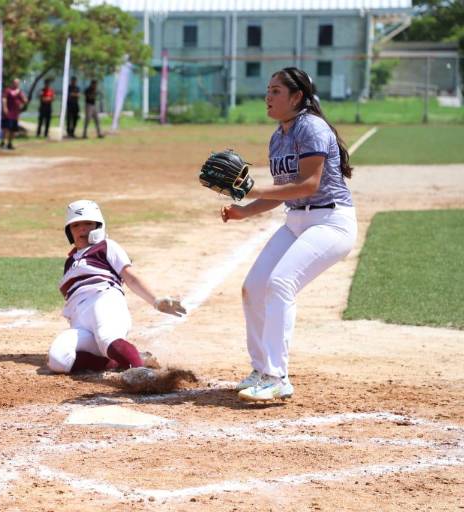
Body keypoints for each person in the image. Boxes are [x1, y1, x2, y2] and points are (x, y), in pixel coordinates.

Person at [220, 67, 357, 402]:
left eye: (277, 91)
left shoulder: (310, 127)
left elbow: (309, 185)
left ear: (297, 97)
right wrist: (243, 210)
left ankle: (277, 377)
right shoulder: (278, 135)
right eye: (268, 90)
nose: (268, 96)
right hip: (296, 221)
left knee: (280, 283)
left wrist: (249, 189)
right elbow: (282, 192)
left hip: (330, 221)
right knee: (253, 287)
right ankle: (260, 367)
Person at [47, 200, 186, 374]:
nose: (82, 229)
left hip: (104, 301)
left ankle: (143, 375)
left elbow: (131, 278)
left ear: (99, 226)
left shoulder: (106, 246)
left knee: (108, 339)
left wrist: (156, 301)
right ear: (69, 231)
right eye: (76, 225)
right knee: (58, 360)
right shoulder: (70, 262)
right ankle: (126, 360)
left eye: (88, 223)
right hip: (79, 321)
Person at [1, 78, 26, 150]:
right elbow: (4, 99)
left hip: (15, 114)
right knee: (6, 128)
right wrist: (5, 107)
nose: (16, 84)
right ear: (12, 83)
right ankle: (3, 142)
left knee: (13, 129)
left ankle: (10, 143)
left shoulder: (19, 92)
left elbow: (24, 100)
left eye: (18, 83)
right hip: (8, 113)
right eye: (15, 83)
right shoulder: (8, 90)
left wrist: (22, 103)